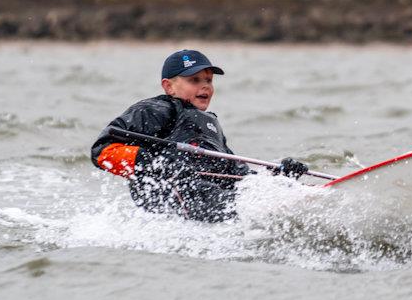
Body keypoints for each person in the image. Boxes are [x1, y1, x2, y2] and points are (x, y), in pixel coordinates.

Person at [91, 49, 308, 222]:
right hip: (173, 196)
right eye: (194, 80)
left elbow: (235, 173)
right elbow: (102, 151)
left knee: (266, 192)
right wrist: (159, 164)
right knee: (250, 208)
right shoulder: (154, 110)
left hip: (210, 196)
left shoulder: (210, 123)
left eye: (209, 80)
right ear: (169, 86)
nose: (205, 85)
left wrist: (277, 176)